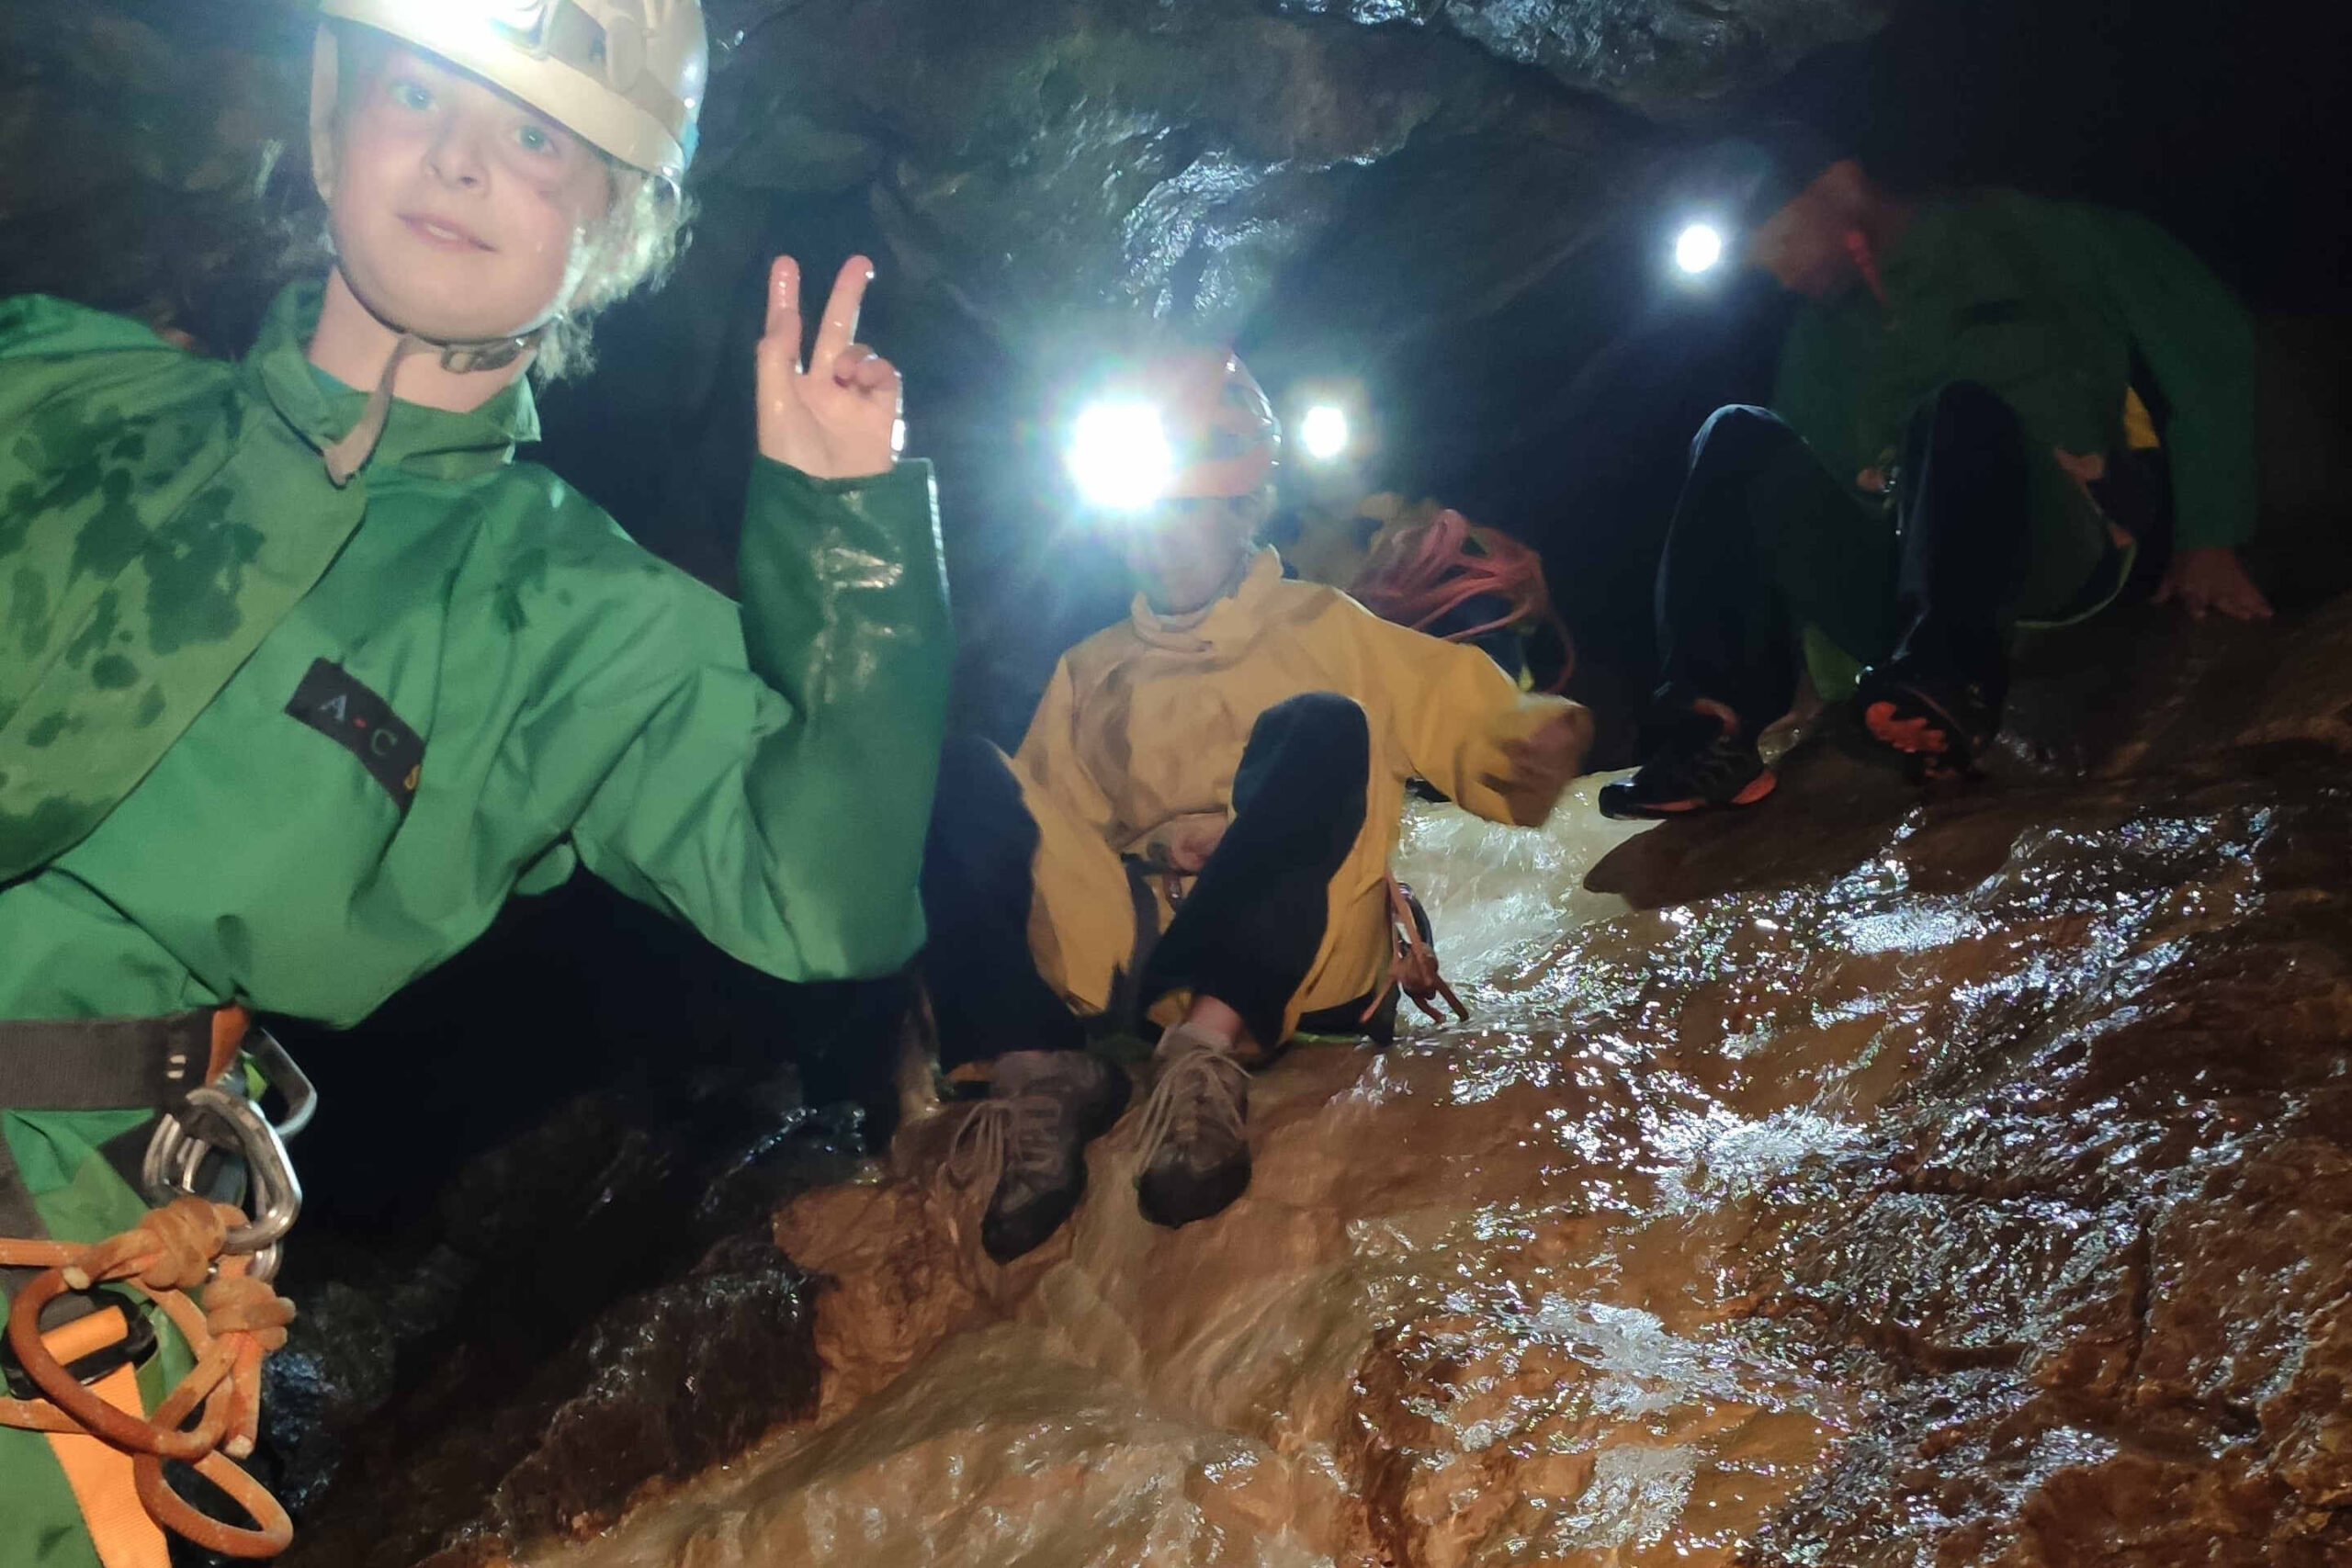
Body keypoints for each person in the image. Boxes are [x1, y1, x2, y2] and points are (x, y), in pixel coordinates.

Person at [0, 3, 949, 1560]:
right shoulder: (53, 383)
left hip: (60, 1253)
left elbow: (820, 895)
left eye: (535, 135)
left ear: (616, 226)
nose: (456, 157)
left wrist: (847, 536)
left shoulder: (562, 611)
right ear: (328, 127)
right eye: (415, 90)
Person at [919, 350, 1594, 1263]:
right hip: (1148, 947)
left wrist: (1521, 741)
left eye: (1183, 514)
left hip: (1301, 951)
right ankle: (1039, 1072)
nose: (1154, 540)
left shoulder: (1325, 624)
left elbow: (1451, 710)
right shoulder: (1091, 667)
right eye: (1139, 519)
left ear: (1243, 510)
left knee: (1322, 725)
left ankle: (1208, 1055)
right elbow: (1049, 829)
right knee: (962, 772)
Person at [1600, 126, 2267, 819]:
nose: (1781, 273)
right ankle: (1711, 733)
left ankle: (1954, 680)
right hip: (1897, 593)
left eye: (1783, 242)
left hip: (2052, 548)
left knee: (1954, 407)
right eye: (1762, 263)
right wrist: (1830, 688)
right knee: (1734, 432)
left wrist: (2210, 537)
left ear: (1842, 186)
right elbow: (1811, 506)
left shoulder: (2038, 236)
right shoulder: (1817, 340)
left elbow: (2207, 346)